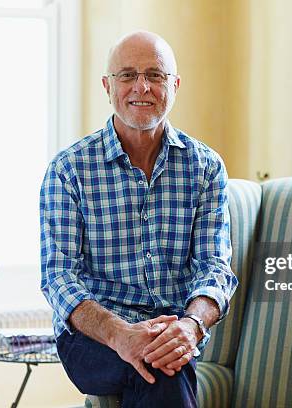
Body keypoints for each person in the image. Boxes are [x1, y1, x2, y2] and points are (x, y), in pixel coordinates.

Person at [39, 30, 237, 408]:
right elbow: (58, 276)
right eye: (127, 75)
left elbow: (215, 267)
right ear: (107, 85)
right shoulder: (69, 170)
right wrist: (121, 334)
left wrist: (190, 327)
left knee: (161, 363)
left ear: (175, 85)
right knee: (161, 364)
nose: (141, 87)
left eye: (155, 75)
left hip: (172, 329)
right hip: (91, 338)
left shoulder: (206, 167)